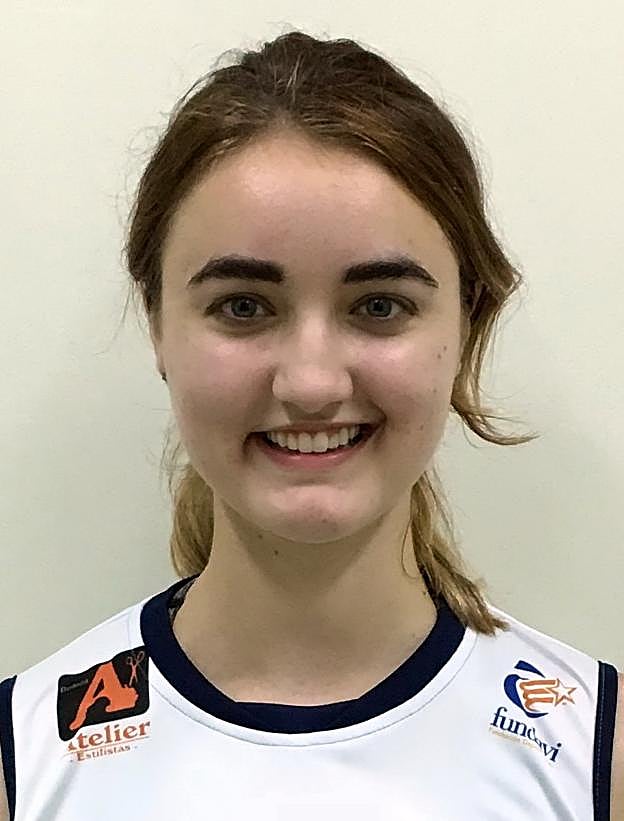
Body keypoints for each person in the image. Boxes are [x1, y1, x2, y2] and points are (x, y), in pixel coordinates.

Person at [0, 30, 621, 820]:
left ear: (467, 323)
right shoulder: (27, 757)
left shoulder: (597, 752)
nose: (313, 383)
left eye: (380, 305)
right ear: (157, 324)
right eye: (243, 306)